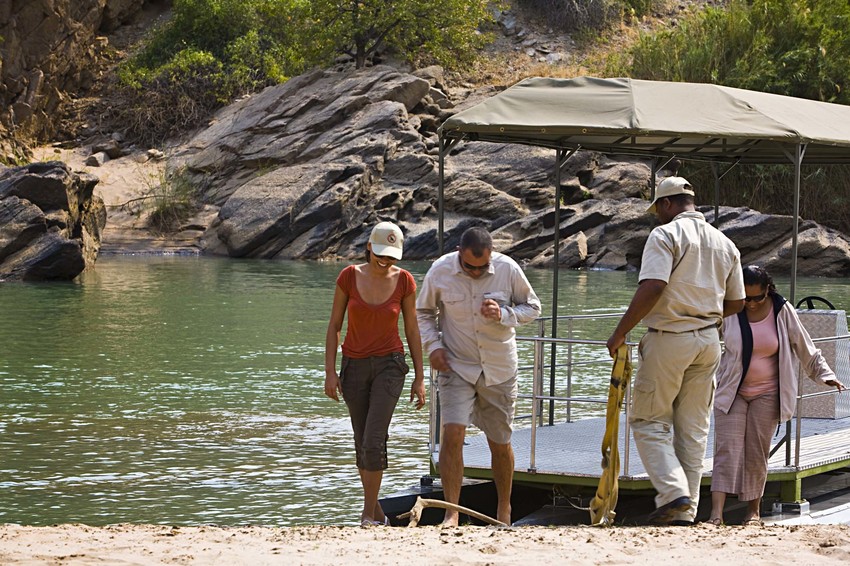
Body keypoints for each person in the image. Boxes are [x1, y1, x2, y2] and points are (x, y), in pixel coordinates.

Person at [606, 176, 745, 525]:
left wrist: (619, 333)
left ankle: (673, 494)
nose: (657, 216)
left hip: (670, 338)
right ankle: (687, 511)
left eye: (657, 209)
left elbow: (654, 285)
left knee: (648, 420)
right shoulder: (725, 243)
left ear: (667, 204)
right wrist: (704, 313)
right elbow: (738, 301)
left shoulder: (665, 235)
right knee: (693, 429)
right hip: (709, 341)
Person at [416, 226, 541, 526]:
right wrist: (433, 346)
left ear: (491, 255)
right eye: (469, 267)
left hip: (499, 369)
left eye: (482, 267)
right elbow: (424, 312)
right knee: (452, 434)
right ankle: (451, 512)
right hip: (455, 366)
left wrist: (504, 314)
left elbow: (533, 307)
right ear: (459, 252)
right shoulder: (440, 270)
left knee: (499, 442)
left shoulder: (508, 269)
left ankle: (504, 510)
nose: (475, 272)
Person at [709, 265, 845, 526]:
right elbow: (704, 337)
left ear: (768, 291)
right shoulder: (730, 308)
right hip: (732, 391)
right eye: (745, 297)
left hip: (768, 393)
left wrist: (824, 374)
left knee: (756, 452)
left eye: (756, 298)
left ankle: (753, 511)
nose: (749, 303)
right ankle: (716, 514)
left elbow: (806, 347)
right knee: (727, 449)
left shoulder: (782, 311)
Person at [324, 221, 426, 527]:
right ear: (369, 247)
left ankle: (367, 514)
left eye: (392, 256)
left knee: (373, 438)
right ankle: (378, 512)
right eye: (380, 254)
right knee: (361, 440)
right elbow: (334, 326)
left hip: (390, 365)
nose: (385, 261)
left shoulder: (405, 281)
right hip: (353, 365)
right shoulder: (348, 277)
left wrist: (420, 377)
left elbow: (412, 329)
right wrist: (330, 372)